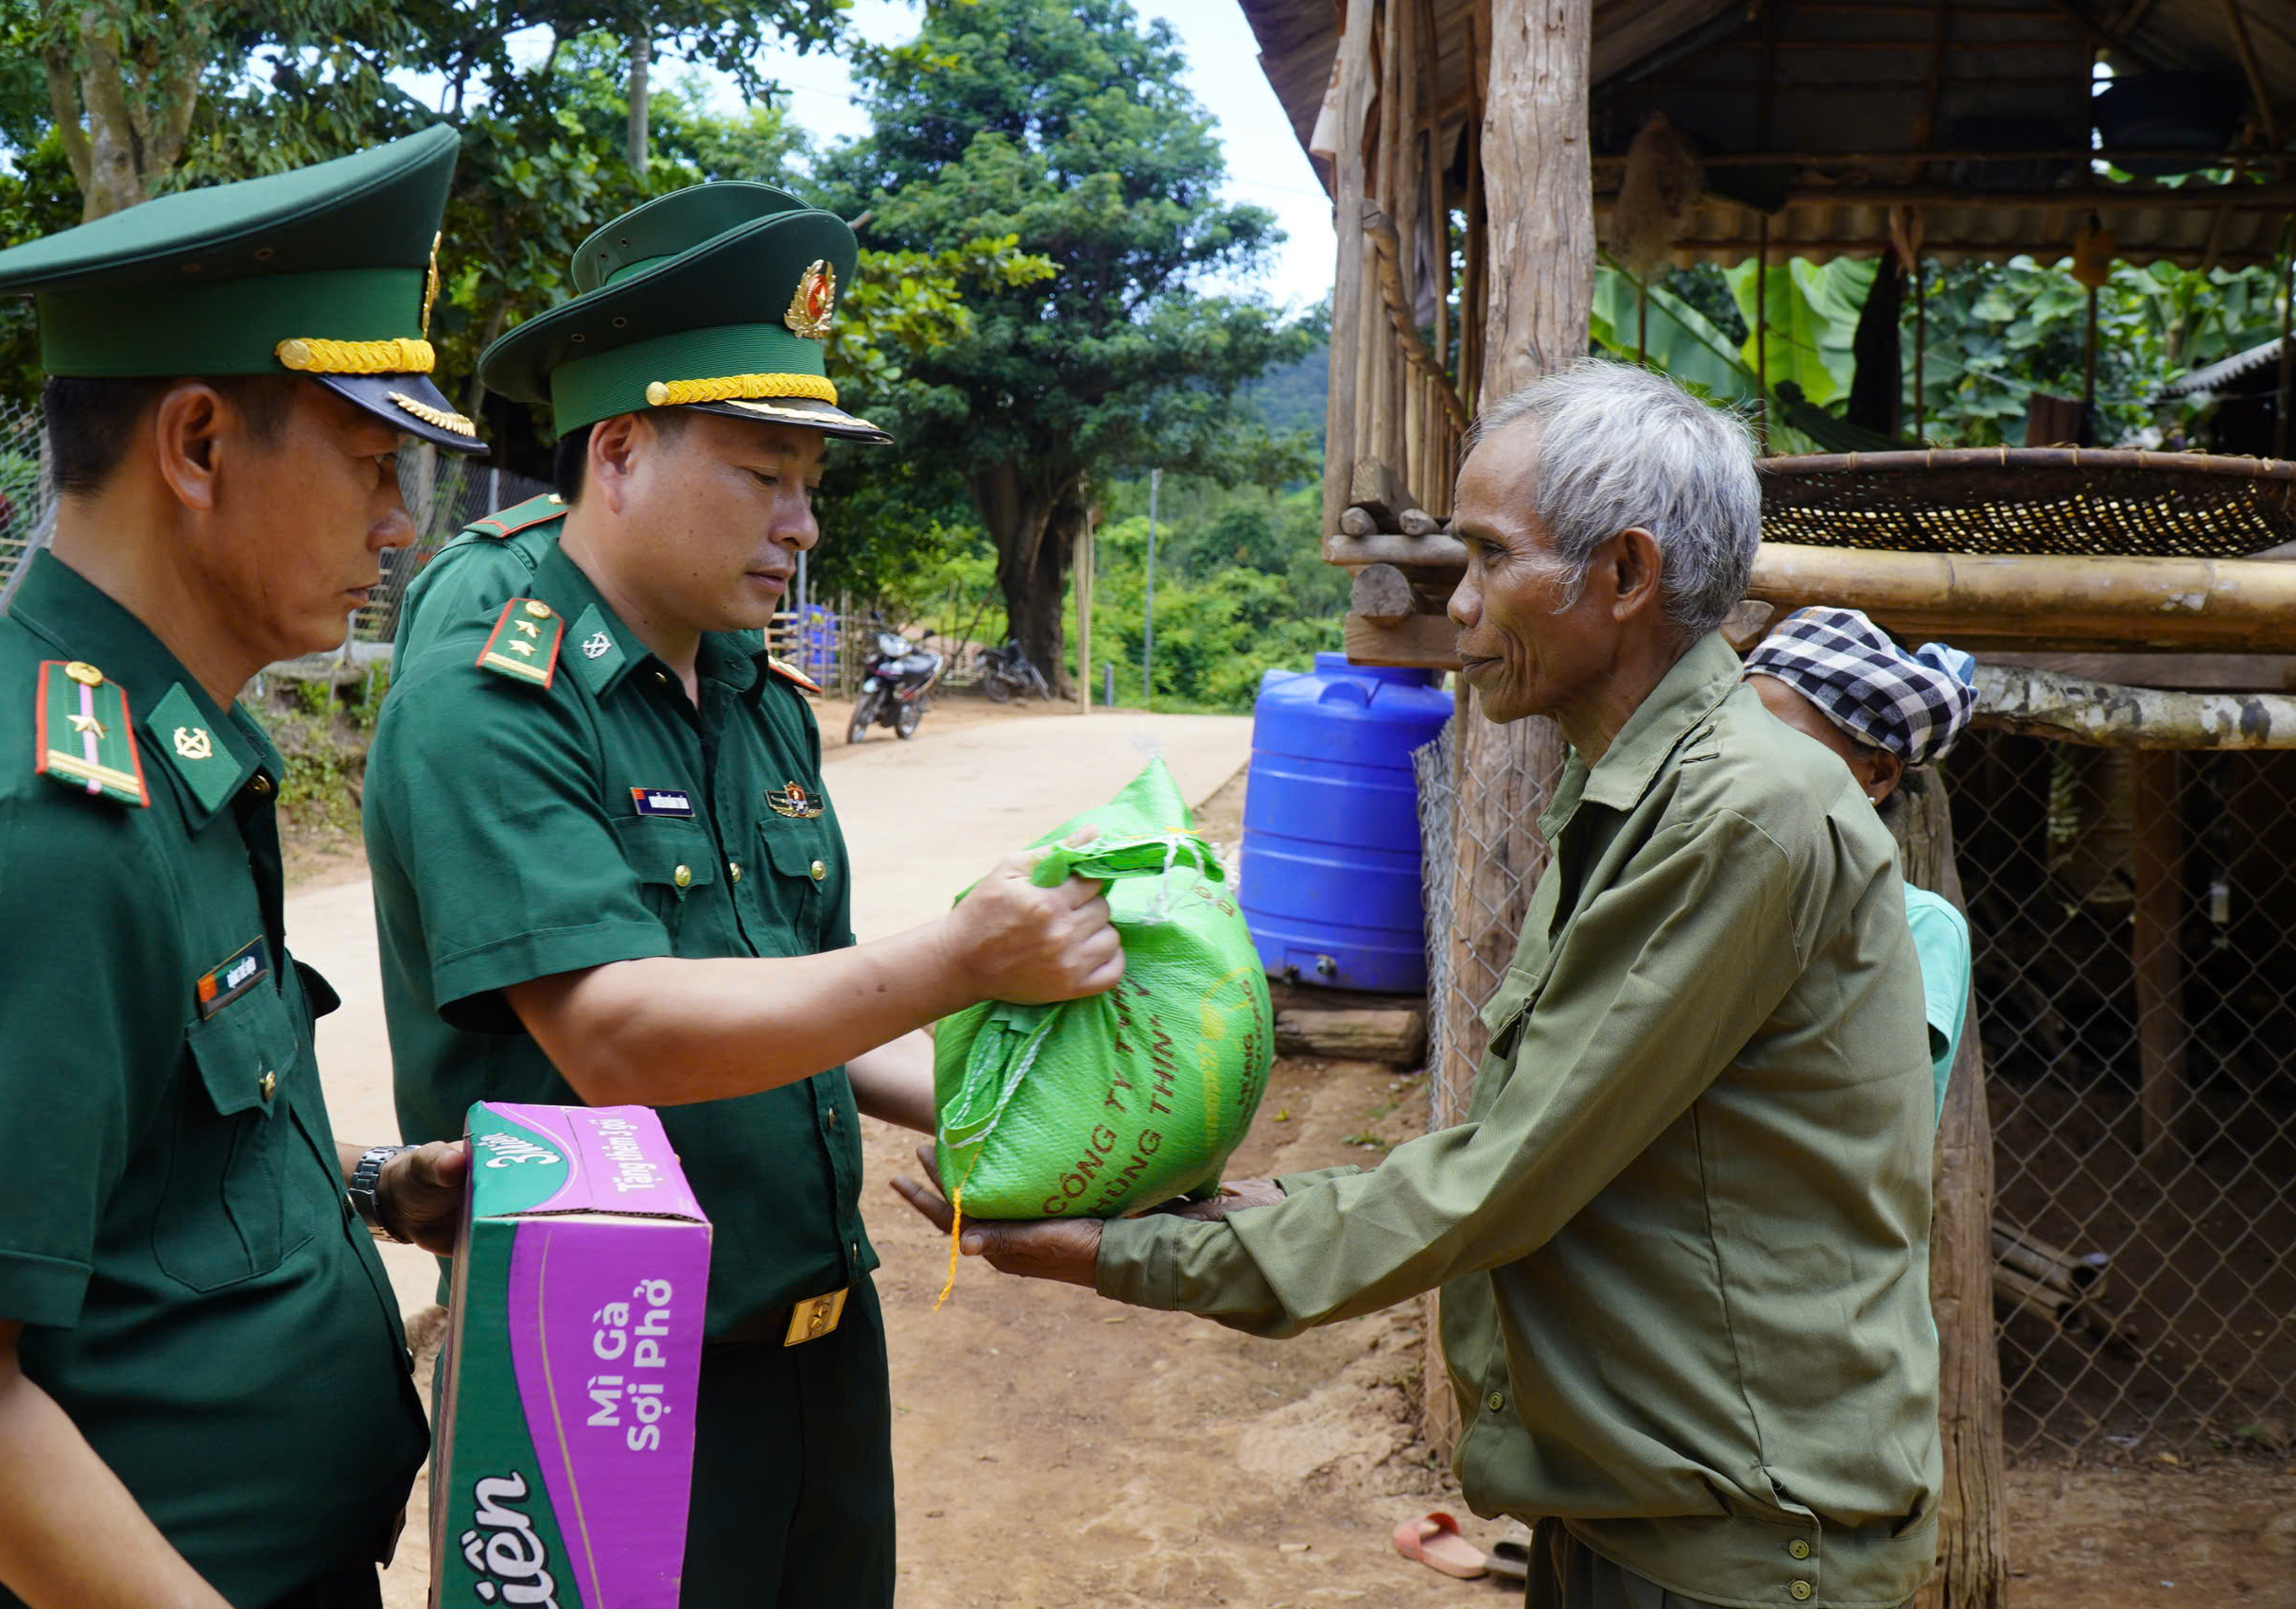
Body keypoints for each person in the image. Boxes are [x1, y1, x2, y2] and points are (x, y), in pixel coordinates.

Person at [896, 360, 1944, 1609]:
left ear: (1623, 576)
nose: (1457, 601)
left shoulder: (1742, 812)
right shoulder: (1642, 788)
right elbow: (1543, 1141)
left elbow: (1512, 1175)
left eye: (1494, 556)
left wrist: (1134, 1255)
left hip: (1734, 1538)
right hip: (1651, 1502)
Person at [362, 182, 1122, 1609]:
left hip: (816, 1338)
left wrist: (1047, 1124)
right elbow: (621, 1034)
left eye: (811, 486)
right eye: (763, 474)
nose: (800, 526)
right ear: (623, 453)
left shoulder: (754, 696)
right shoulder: (496, 692)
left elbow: (816, 1006)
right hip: (600, 1364)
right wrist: (964, 956)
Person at [0, 128, 485, 1609]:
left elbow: (131, 1152)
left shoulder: (167, 746)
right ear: (199, 444)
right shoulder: (43, 821)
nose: (403, 524)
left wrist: (364, 1184)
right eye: (370, 463)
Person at [1744, 606, 1979, 1116]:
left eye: (1781, 741)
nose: (1744, 764)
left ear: (1877, 774)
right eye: (1739, 738)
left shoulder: (1922, 927)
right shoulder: (1729, 881)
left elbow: (1866, 1115)